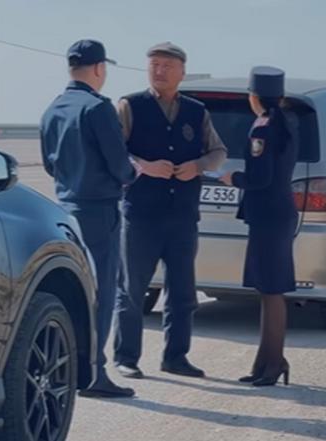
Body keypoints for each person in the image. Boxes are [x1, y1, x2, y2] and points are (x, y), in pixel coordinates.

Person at [113, 42, 227, 379]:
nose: (159, 71)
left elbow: (218, 152)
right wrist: (143, 166)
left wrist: (198, 166)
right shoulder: (130, 106)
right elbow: (114, 151)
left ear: (182, 72)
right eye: (154, 65)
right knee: (132, 290)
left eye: (166, 65)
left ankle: (176, 357)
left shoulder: (196, 111)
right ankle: (125, 357)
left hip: (182, 216)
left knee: (182, 292)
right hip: (141, 215)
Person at [40, 39, 137, 398]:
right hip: (99, 211)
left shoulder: (52, 109)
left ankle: (66, 368)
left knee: (74, 292)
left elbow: (49, 164)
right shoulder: (98, 108)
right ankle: (95, 373)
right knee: (103, 292)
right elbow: (119, 166)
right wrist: (134, 171)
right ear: (98, 68)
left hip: (66, 209)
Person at [219, 66, 298, 386]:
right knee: (268, 289)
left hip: (268, 215)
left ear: (254, 97)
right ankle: (265, 361)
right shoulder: (285, 123)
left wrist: (233, 178)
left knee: (271, 290)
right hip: (278, 213)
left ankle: (273, 362)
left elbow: (260, 177)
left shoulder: (262, 129)